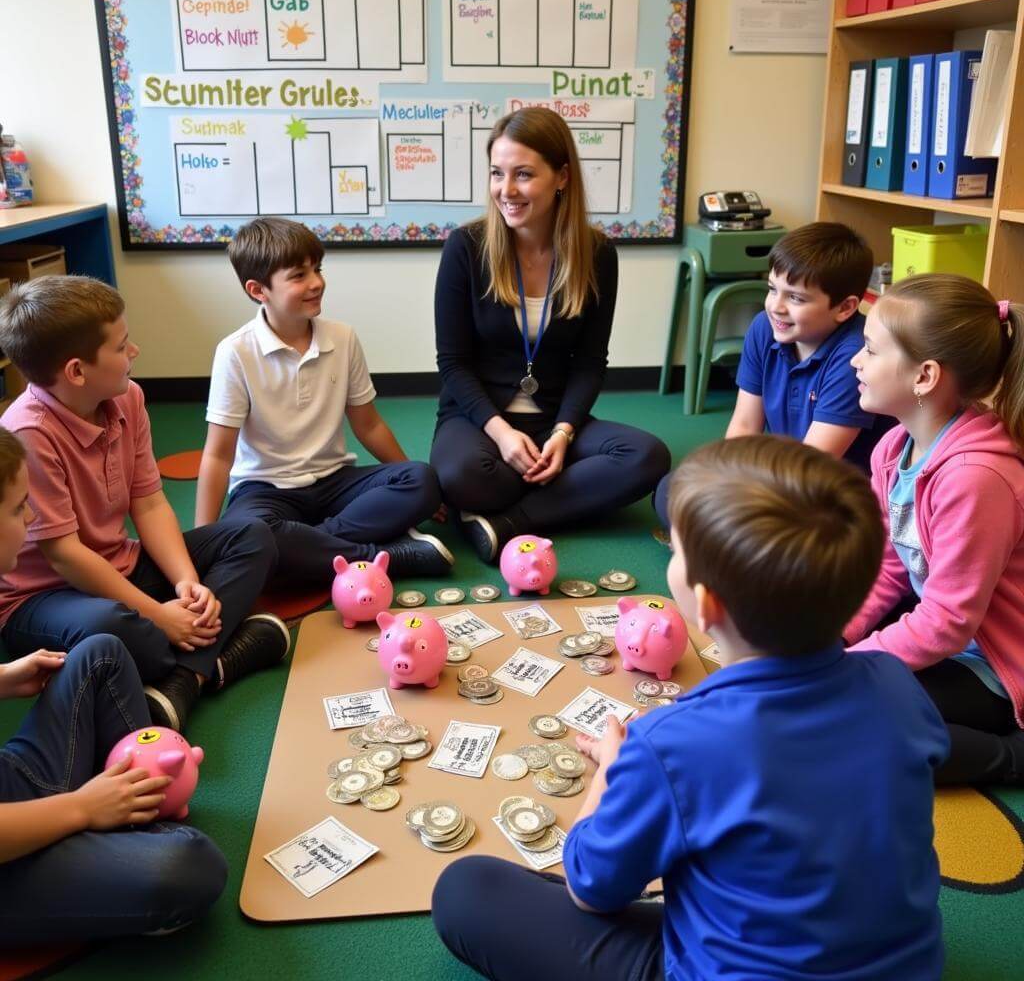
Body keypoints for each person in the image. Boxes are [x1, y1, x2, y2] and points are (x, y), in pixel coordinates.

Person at [433, 435, 948, 981]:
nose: (671, 559)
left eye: (675, 550)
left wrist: (610, 775)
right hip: (903, 966)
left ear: (706, 603)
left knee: (466, 891)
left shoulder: (669, 743)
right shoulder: (897, 683)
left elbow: (590, 890)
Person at [0, 277, 289, 732]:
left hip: (120, 566)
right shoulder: (28, 432)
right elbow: (66, 555)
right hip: (42, 598)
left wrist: (186, 585)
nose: (133, 351)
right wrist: (157, 616)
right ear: (77, 371)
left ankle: (184, 678)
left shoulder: (126, 397)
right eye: (121, 345)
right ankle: (213, 661)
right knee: (117, 631)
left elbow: (149, 502)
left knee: (252, 535)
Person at [0, 426, 227, 945]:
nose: (32, 519)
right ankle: (116, 824)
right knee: (188, 866)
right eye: (17, 510)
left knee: (99, 652)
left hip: (13, 787)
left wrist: (3, 679)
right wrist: (83, 809)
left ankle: (124, 811)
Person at [431, 107, 669, 562]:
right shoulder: (466, 248)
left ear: (562, 177)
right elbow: (453, 364)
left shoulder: (597, 253)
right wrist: (501, 434)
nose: (506, 190)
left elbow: (590, 361)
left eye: (523, 174)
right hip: (479, 418)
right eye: (497, 174)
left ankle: (506, 522)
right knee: (462, 474)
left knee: (647, 457)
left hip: (554, 419)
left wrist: (562, 433)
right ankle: (558, 497)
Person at [196, 216, 452, 585]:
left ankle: (310, 544)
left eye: (317, 269)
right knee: (252, 531)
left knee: (422, 479)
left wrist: (425, 491)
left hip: (335, 483)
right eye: (298, 276)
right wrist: (206, 541)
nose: (316, 283)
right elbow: (218, 454)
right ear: (258, 290)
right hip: (266, 490)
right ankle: (385, 558)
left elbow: (369, 424)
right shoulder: (235, 352)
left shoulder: (343, 338)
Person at [848, 274, 1024, 786]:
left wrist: (847, 666)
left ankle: (1013, 757)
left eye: (870, 350)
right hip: (949, 633)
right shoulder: (891, 449)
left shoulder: (976, 478)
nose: (856, 362)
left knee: (848, 724)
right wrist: (844, 634)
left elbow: (949, 621)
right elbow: (889, 568)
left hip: (996, 665)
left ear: (924, 375)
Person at [653, 222, 892, 525]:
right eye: (772, 289)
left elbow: (815, 463)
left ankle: (717, 543)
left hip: (831, 492)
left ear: (845, 308)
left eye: (796, 298)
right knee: (672, 489)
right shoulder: (764, 328)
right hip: (782, 475)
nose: (775, 307)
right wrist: (724, 483)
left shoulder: (854, 355)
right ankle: (722, 542)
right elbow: (744, 424)